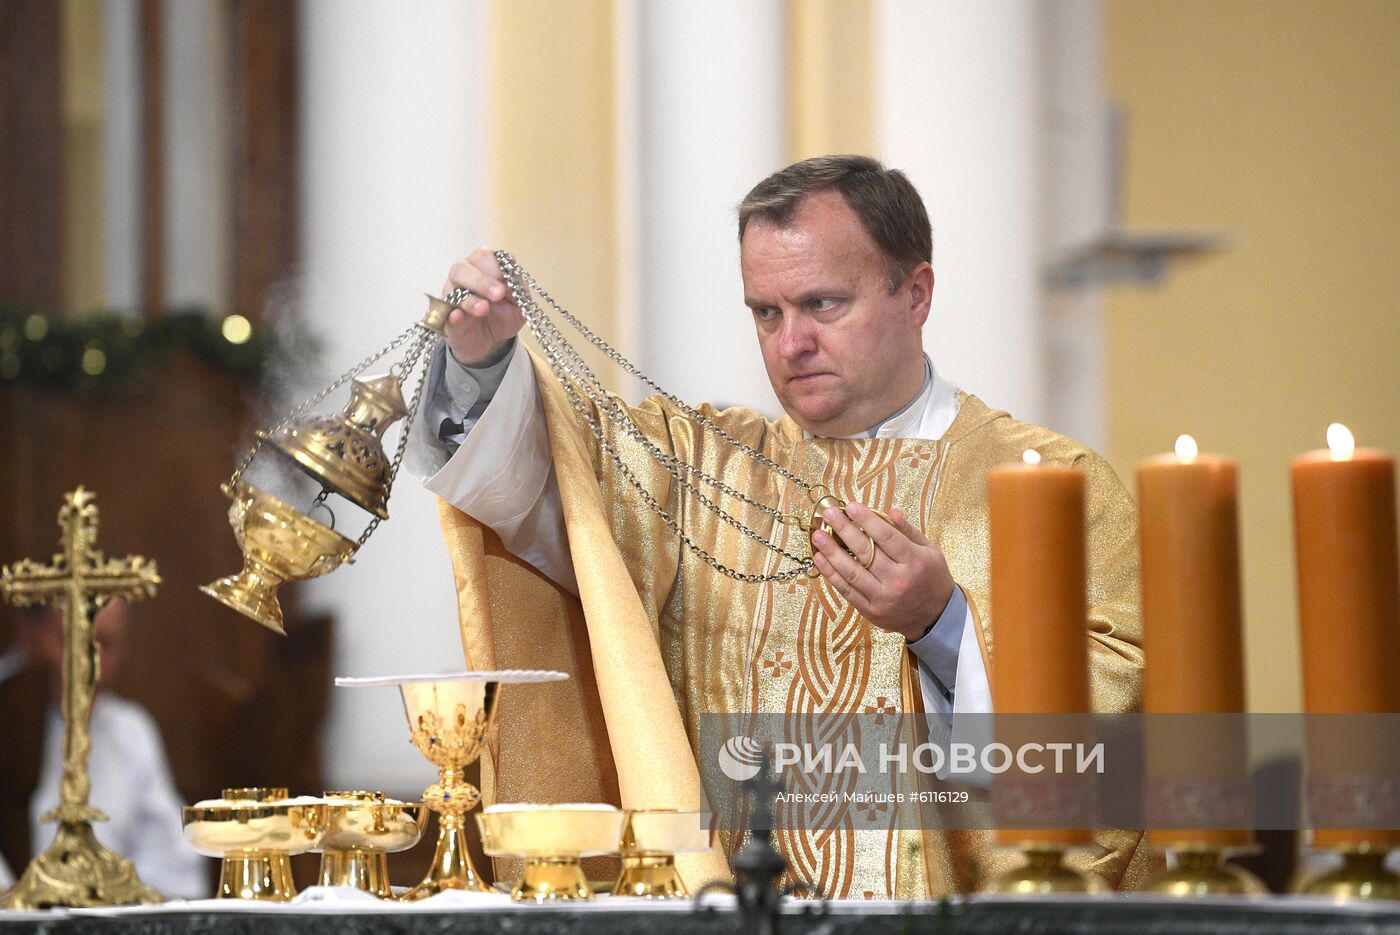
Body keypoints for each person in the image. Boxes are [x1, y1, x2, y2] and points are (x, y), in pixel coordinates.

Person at [410, 155, 1152, 897]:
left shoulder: (1052, 486)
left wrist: (943, 625)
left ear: (916, 293)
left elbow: (1117, 733)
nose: (789, 343)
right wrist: (483, 364)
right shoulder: (705, 469)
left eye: (823, 304)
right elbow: (557, 495)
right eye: (766, 312)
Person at [0, 601, 205, 899]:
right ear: (29, 633)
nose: (88, 664)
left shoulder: (131, 732)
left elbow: (173, 868)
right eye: (72, 640)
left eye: (105, 643)